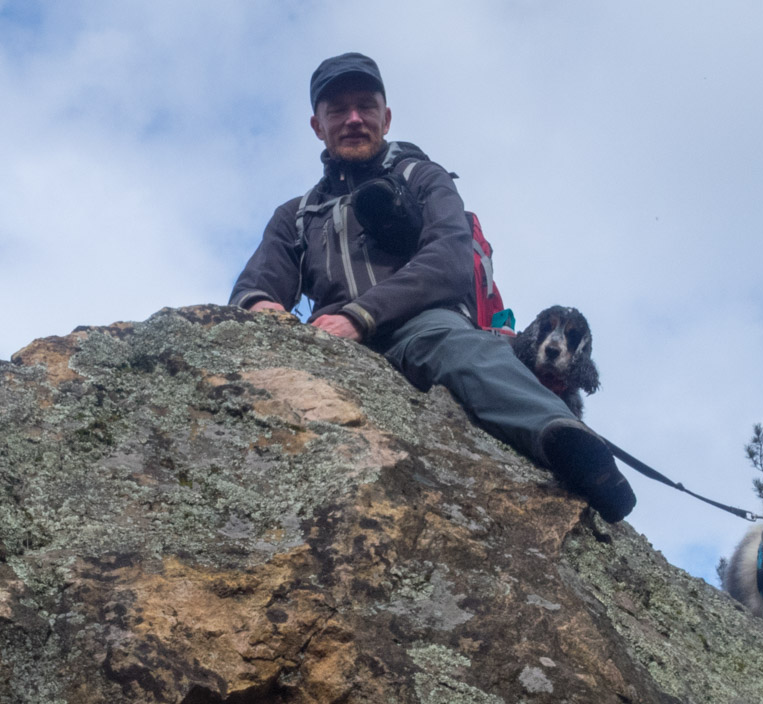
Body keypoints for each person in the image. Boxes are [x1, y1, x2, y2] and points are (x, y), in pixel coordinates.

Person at [230, 53, 636, 521]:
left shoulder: (422, 177)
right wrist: (261, 306)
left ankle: (567, 443)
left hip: (419, 322)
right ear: (317, 126)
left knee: (463, 350)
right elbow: (258, 281)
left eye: (366, 106)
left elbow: (449, 260)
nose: (354, 119)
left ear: (387, 117)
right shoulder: (296, 214)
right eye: (337, 110)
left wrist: (360, 316)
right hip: (329, 343)